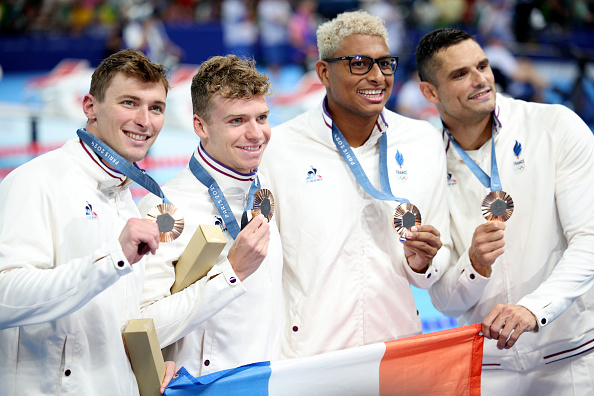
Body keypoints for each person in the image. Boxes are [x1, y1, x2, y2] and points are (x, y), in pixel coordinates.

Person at [259, 10, 451, 359]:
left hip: (396, 347)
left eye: (386, 64)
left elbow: (434, 265)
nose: (378, 76)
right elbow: (263, 268)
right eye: (359, 63)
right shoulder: (279, 149)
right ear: (323, 72)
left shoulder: (422, 142)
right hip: (310, 356)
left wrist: (422, 262)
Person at [416, 27, 594, 395]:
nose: (480, 79)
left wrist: (534, 308)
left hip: (573, 360)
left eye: (482, 66)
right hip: (490, 368)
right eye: (460, 74)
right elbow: (445, 301)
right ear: (429, 92)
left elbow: (590, 239)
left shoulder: (555, 126)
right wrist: (474, 266)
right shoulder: (424, 163)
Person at [0, 49, 175, 395]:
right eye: (129, 103)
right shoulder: (36, 181)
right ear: (90, 107)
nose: (145, 120)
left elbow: (113, 321)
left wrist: (150, 361)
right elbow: (4, 297)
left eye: (155, 108)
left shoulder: (124, 199)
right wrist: (113, 258)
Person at [138, 54, 282, 376]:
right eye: (237, 121)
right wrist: (232, 273)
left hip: (270, 382)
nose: (256, 133)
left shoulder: (266, 192)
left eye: (261, 117)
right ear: (200, 126)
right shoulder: (165, 210)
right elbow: (142, 328)